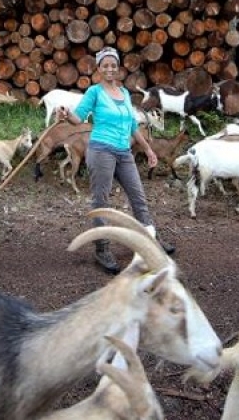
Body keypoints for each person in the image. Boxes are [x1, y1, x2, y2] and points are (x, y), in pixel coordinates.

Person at [56, 46, 175, 274]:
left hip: (124, 153)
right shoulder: (94, 92)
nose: (109, 69)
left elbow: (132, 125)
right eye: (105, 65)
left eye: (113, 65)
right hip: (101, 150)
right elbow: (78, 117)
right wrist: (66, 113)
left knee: (138, 198)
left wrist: (148, 149)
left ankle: (151, 240)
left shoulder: (125, 93)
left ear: (118, 68)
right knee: (101, 201)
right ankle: (102, 249)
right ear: (99, 69)